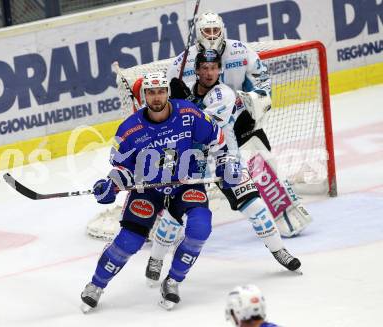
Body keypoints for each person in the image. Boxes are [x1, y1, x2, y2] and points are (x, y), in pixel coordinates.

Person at [81, 71, 241, 312]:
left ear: (168, 91)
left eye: (161, 91)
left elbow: (219, 142)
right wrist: (111, 185)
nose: (156, 97)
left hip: (185, 183)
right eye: (151, 92)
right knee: (129, 242)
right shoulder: (129, 130)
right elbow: (123, 170)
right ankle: (96, 285)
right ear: (144, 95)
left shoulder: (188, 114)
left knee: (200, 228)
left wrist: (225, 163)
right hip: (149, 189)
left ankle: (173, 281)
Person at [144, 49, 301, 286]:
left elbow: (203, 127)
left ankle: (279, 250)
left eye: (214, 67)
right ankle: (156, 258)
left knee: (255, 206)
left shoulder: (224, 94)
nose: (209, 73)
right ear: (196, 70)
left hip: (224, 158)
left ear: (220, 70)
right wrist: (173, 105)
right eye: (204, 68)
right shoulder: (182, 96)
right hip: (191, 162)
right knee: (174, 215)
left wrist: (183, 104)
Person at [166, 11, 312, 238]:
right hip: (201, 132)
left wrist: (256, 102)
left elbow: (262, 79)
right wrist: (175, 98)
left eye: (216, 30)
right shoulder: (179, 63)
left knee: (261, 159)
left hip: (238, 121)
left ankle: (287, 212)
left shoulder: (240, 51)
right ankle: (167, 223)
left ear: (223, 31)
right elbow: (167, 103)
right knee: (187, 176)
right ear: (198, 33)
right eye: (207, 31)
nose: (212, 35)